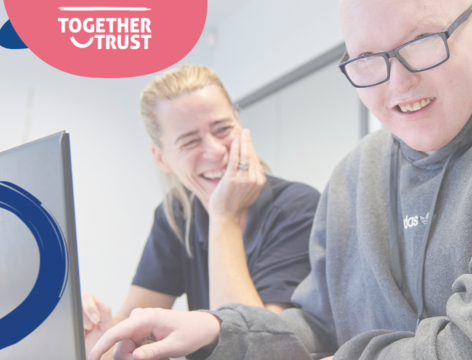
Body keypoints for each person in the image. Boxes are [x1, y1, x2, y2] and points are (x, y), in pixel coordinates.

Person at [88, 1, 472, 359]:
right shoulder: (354, 177)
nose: (397, 82)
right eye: (366, 61)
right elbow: (319, 329)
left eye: (423, 42)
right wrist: (217, 331)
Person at [82, 64, 321, 360]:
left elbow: (258, 350)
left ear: (239, 124)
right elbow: (132, 321)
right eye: (190, 141)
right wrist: (103, 336)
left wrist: (223, 216)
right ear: (161, 158)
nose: (216, 151)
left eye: (223, 129)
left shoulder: (297, 208)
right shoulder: (178, 212)